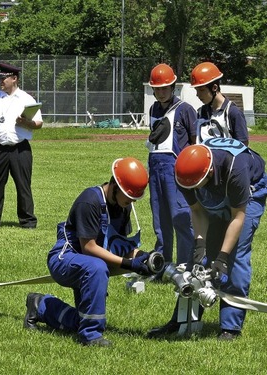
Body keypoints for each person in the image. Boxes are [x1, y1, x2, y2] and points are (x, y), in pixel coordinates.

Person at [23, 158, 154, 347]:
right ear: (116, 185)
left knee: (81, 319)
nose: (132, 201)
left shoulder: (122, 207)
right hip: (65, 258)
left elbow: (120, 246)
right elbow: (89, 247)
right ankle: (91, 336)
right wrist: (127, 264)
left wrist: (144, 257)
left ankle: (39, 305)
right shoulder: (90, 201)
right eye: (129, 196)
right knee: (98, 268)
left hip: (90, 264)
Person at [147, 139, 267, 341]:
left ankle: (230, 328)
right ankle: (183, 321)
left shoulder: (236, 170)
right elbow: (197, 210)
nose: (194, 189)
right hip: (216, 182)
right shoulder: (184, 172)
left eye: (197, 185)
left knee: (235, 257)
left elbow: (238, 217)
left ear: (209, 173)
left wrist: (222, 256)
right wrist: (200, 243)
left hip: (252, 189)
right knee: (197, 261)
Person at [0, 63, 43, 229]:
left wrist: (26, 122)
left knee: (23, 186)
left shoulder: (26, 99)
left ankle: (28, 221)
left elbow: (39, 123)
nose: (0, 80)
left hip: (20, 148)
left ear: (14, 79)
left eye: (3, 78)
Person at [146, 63, 198, 267]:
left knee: (181, 217)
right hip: (155, 168)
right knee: (160, 220)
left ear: (173, 87)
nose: (160, 92)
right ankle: (163, 264)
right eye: (157, 89)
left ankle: (186, 264)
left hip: (176, 170)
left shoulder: (185, 109)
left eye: (164, 88)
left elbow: (195, 143)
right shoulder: (153, 109)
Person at [191, 62, 248, 145]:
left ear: (214, 88)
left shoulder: (233, 113)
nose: (197, 95)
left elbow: (243, 146)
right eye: (196, 90)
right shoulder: (201, 112)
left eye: (202, 90)